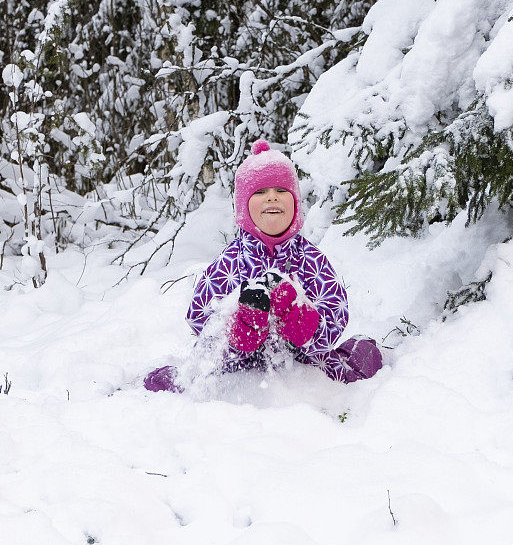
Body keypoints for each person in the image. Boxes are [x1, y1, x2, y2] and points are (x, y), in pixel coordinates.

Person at [144, 140, 383, 392]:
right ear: (244, 207)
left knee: (348, 374)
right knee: (195, 379)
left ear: (295, 203)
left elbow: (336, 309)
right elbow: (199, 315)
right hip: (236, 361)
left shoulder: (310, 259)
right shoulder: (231, 260)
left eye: (281, 190)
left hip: (302, 359)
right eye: (259, 192)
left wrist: (305, 326)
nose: (271, 197)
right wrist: (236, 329)